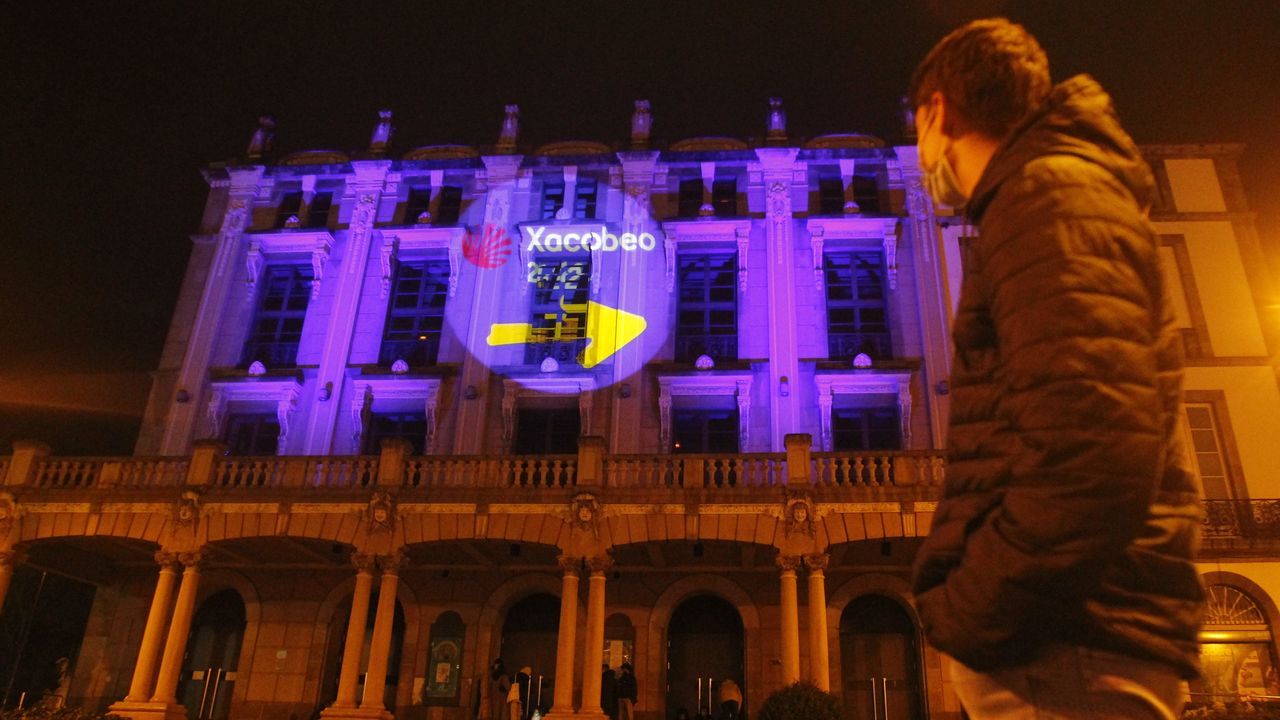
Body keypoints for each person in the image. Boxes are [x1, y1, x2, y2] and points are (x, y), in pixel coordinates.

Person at [906, 17, 1205, 719]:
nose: (920, 155)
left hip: (1068, 647)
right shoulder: (1051, 196)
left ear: (938, 112)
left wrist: (974, 612)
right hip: (1072, 640)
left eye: (916, 128)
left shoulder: (1048, 197)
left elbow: (1091, 451)